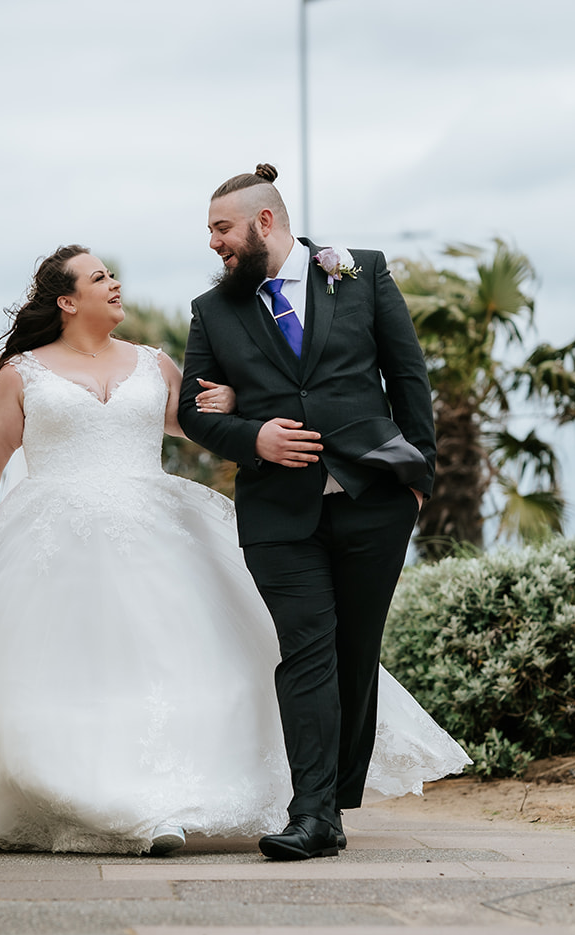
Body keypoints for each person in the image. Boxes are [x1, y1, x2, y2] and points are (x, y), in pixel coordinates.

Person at [0, 244, 467, 855]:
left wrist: (238, 402)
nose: (115, 284)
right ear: (66, 300)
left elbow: (199, 422)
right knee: (63, 671)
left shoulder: (154, 363)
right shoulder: (22, 373)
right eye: (99, 277)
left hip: (156, 525)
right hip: (49, 537)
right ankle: (71, 789)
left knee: (182, 661)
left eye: (113, 275)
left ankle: (175, 796)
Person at [178, 164, 440, 861]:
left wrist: (420, 482)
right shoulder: (212, 312)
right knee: (307, 653)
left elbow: (407, 375)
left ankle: (333, 799)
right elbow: (189, 413)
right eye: (210, 232)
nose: (214, 244)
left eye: (222, 229)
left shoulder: (362, 274)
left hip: (374, 502)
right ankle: (313, 813)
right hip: (277, 517)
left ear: (266, 223)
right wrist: (253, 436)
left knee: (355, 654)